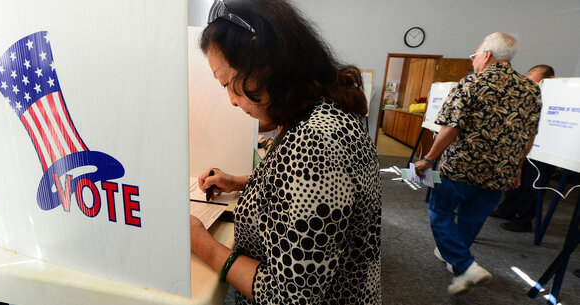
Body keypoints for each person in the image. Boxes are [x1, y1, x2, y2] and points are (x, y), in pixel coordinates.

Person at [190, 0, 383, 304]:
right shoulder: (320, 116)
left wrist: (202, 243)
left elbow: (289, 296)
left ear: (264, 60)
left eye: (229, 83)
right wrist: (241, 181)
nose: (231, 100)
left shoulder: (317, 142)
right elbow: (302, 192)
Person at [414, 32, 542, 294]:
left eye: (475, 56)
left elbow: (451, 128)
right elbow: (529, 135)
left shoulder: (472, 83)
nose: (473, 61)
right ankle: (459, 264)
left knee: (440, 213)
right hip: (500, 173)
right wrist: (517, 166)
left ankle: (465, 265)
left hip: (462, 168)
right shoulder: (530, 89)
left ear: (486, 55)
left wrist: (428, 158)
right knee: (472, 219)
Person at [490, 65, 556, 233]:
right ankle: (507, 210)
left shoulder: (556, 96)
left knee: (532, 184)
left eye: (531, 74)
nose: (527, 78)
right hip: (525, 145)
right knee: (517, 180)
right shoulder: (529, 94)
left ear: (549, 79)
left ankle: (525, 220)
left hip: (545, 147)